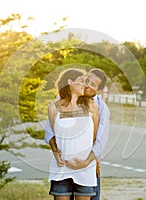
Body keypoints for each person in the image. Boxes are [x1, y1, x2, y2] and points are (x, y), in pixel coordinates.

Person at [45, 68, 110, 200]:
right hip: (63, 166)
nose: (86, 85)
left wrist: (88, 162)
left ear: (98, 90)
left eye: (93, 84)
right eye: (86, 80)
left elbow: (98, 139)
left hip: (87, 164)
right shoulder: (59, 102)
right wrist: (56, 151)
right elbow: (50, 131)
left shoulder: (99, 107)